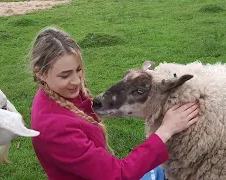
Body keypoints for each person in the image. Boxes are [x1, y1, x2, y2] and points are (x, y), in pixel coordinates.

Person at [29, 26, 200, 180]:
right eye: (65, 75)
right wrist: (165, 130)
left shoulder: (53, 93)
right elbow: (117, 175)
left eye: (78, 70)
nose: (76, 81)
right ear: (41, 73)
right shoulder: (56, 128)